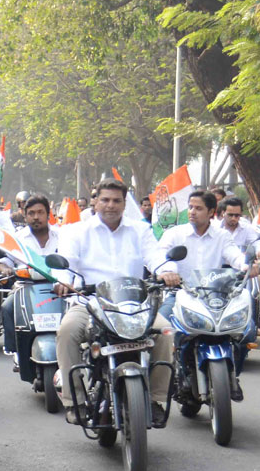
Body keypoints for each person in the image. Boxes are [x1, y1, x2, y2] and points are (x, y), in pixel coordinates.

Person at [54, 179, 180, 426]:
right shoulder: (76, 231)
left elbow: (155, 256)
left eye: (116, 200)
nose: (110, 205)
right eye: (105, 200)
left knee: (165, 331)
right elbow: (66, 262)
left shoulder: (140, 229)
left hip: (135, 305)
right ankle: (75, 401)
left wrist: (167, 271)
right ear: (95, 202)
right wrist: (63, 282)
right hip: (90, 303)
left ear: (124, 203)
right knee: (66, 332)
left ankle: (155, 399)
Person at [159, 190, 250, 399]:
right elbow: (162, 256)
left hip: (215, 296)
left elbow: (234, 255)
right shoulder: (175, 234)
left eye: (198, 208)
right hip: (180, 293)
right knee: (162, 330)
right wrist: (167, 272)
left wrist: (246, 266)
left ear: (211, 212)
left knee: (246, 332)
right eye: (190, 207)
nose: (192, 212)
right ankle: (170, 377)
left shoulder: (222, 235)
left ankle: (232, 374)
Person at [0, 195, 59, 357]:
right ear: (25, 216)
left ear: (48, 214)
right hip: (25, 286)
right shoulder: (17, 239)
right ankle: (16, 351)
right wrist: (4, 267)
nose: (36, 217)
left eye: (40, 212)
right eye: (31, 213)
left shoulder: (62, 236)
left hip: (60, 287)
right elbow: (6, 260)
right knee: (7, 307)